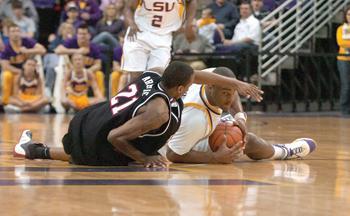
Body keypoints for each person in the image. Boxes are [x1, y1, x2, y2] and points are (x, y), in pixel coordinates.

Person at [13, 61, 263, 167]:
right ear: (179, 88)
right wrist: (145, 159)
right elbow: (114, 137)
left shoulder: (157, 72)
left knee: (72, 152)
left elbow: (197, 75)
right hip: (103, 136)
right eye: (189, 85)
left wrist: (238, 84)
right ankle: (34, 151)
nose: (192, 87)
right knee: (85, 155)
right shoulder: (158, 112)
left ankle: (33, 150)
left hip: (96, 114)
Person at [158, 67, 317, 164]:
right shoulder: (197, 119)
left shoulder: (211, 76)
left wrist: (239, 116)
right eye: (225, 93)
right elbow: (173, 154)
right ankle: (286, 151)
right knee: (243, 141)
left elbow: (230, 91)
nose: (230, 98)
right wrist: (214, 158)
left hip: (188, 125)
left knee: (244, 136)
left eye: (232, 92)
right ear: (211, 87)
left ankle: (284, 151)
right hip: (175, 142)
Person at [117, 0, 197, 90]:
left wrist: (189, 24)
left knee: (156, 77)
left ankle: (148, 102)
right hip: (139, 33)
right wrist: (131, 24)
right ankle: (128, 102)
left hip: (164, 36)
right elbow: (128, 7)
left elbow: (192, 2)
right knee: (135, 77)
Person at [0, 22, 46, 105]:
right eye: (13, 31)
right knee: (7, 75)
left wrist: (28, 51)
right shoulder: (6, 47)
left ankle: (34, 100)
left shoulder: (26, 41)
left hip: (29, 70)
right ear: (8, 34)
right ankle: (5, 102)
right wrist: (19, 72)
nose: (15, 33)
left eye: (17, 31)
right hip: (14, 71)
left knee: (37, 72)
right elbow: (5, 66)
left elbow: (43, 50)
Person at [55, 23, 105, 96]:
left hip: (89, 71)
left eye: (84, 34)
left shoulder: (94, 47)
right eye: (80, 34)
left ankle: (100, 99)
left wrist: (86, 72)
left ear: (89, 35)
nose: (82, 36)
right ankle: (63, 99)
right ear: (77, 35)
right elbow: (58, 51)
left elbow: (98, 64)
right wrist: (77, 51)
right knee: (65, 73)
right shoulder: (71, 42)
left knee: (99, 74)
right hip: (71, 71)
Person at [336, 7, 350, 116]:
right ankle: (344, 109)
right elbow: (342, 42)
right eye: (348, 14)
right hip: (343, 59)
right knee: (346, 85)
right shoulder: (341, 28)